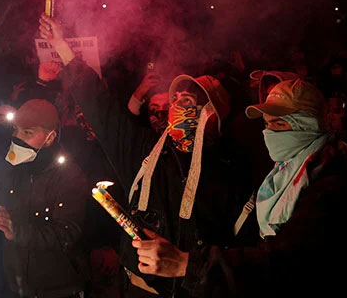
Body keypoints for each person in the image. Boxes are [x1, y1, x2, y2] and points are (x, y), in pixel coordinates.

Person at [39, 15, 250, 297]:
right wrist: (62, 47)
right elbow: (100, 106)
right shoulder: (146, 150)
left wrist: (189, 265)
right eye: (176, 100)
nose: (177, 107)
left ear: (213, 115)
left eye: (189, 101)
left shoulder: (229, 173)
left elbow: (241, 260)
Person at [127, 79, 347, 297]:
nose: (270, 133)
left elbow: (286, 263)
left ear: (308, 124)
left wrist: (189, 265)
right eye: (266, 124)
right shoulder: (288, 170)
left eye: (279, 123)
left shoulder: (334, 181)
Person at [0, 99, 89, 298]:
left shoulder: (69, 176)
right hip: (16, 286)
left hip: (58, 289)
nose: (17, 138)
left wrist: (17, 231)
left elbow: (65, 234)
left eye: (27, 133)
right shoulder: (12, 167)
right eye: (16, 130)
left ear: (50, 137)